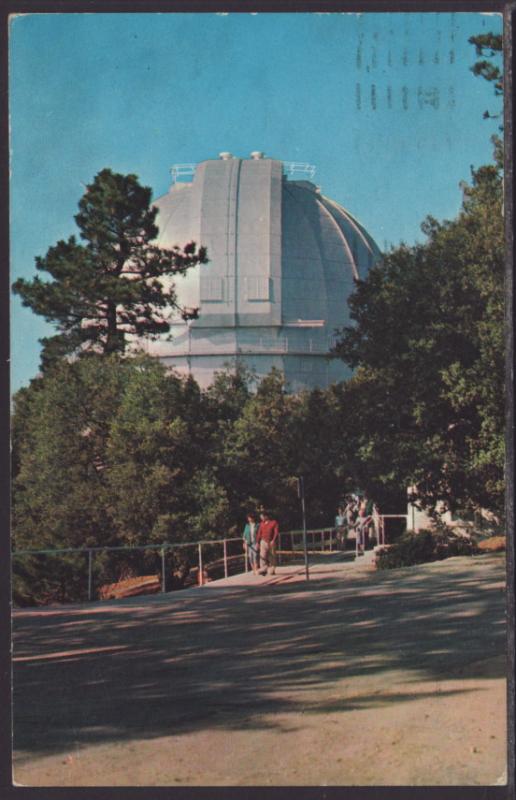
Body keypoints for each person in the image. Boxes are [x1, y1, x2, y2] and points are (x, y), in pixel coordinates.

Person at [256, 510, 279, 576]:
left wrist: (273, 540)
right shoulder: (261, 524)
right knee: (262, 556)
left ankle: (272, 569)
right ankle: (263, 568)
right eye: (261, 517)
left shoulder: (273, 522)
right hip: (263, 541)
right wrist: (257, 542)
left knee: (272, 556)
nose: (261, 518)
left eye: (262, 517)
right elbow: (259, 533)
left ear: (266, 516)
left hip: (271, 542)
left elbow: (276, 532)